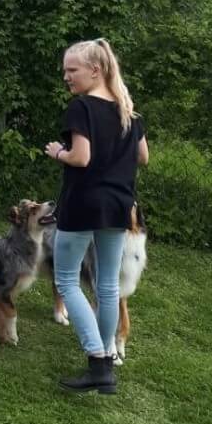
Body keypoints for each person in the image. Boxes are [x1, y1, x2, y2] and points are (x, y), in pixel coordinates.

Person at [44, 38, 149, 394]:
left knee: (67, 281)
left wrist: (59, 152)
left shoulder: (82, 108)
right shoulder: (129, 112)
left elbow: (81, 158)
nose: (66, 77)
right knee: (106, 286)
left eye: (71, 70)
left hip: (84, 204)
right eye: (64, 71)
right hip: (120, 206)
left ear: (95, 69)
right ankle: (105, 366)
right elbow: (143, 157)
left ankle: (98, 359)